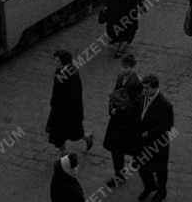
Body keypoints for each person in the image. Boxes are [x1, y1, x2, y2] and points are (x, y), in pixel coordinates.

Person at [103, 54, 143, 189]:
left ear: (132, 67)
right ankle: (119, 175)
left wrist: (120, 109)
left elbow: (137, 103)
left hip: (128, 121)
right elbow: (115, 94)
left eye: (127, 67)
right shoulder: (120, 77)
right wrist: (112, 108)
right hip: (117, 120)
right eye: (123, 67)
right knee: (116, 149)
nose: (124, 69)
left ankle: (143, 162)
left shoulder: (137, 83)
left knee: (130, 147)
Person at [47, 51, 94, 152]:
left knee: (73, 132)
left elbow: (75, 95)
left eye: (57, 61)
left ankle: (87, 138)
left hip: (69, 109)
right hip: (58, 108)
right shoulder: (59, 70)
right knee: (58, 134)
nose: (55, 62)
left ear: (63, 62)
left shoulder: (73, 74)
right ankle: (63, 153)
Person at [136, 75, 174, 202]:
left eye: (147, 88)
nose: (144, 91)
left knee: (160, 169)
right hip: (142, 141)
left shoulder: (165, 104)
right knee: (142, 166)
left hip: (158, 143)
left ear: (155, 88)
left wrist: (149, 133)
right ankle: (149, 186)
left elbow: (168, 125)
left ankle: (161, 191)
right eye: (143, 88)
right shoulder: (143, 97)